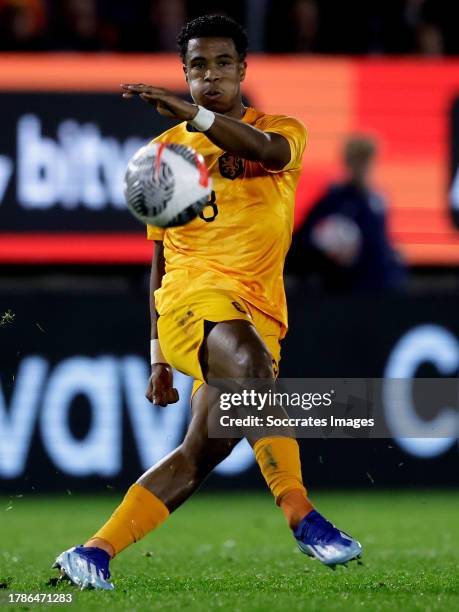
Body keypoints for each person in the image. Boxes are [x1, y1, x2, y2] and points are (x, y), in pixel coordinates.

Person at [53, 14, 362, 590]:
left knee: (201, 452)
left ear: (243, 70)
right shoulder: (162, 155)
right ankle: (303, 516)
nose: (210, 75)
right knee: (251, 367)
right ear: (184, 73)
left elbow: (267, 154)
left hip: (259, 310)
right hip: (193, 301)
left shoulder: (281, 129)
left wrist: (196, 116)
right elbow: (159, 259)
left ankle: (92, 552)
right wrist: (156, 357)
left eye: (223, 63)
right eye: (198, 66)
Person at [287, 136, 405, 293]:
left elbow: (379, 249)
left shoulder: (377, 203)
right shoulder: (332, 200)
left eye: (366, 161)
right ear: (348, 163)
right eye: (357, 160)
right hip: (340, 290)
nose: (362, 168)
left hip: (375, 291)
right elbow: (303, 243)